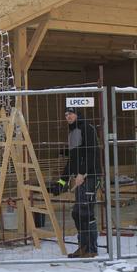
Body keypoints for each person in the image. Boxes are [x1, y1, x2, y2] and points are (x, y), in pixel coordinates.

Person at [48, 107, 102, 258]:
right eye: (65, 114)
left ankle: (91, 249)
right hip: (80, 179)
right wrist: (61, 182)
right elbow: (72, 160)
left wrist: (83, 173)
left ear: (77, 114)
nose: (68, 116)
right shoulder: (72, 132)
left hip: (90, 176)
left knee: (86, 212)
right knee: (77, 213)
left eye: (70, 113)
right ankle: (83, 247)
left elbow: (92, 152)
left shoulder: (87, 128)